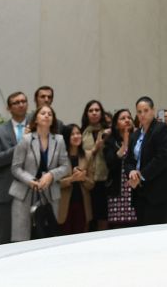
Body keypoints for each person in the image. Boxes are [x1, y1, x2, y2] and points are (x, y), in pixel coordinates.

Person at [9, 105, 70, 242]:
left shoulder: (59, 140)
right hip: (24, 193)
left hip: (49, 194)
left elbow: (65, 166)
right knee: (21, 239)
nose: (47, 115)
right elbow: (15, 168)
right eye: (43, 113)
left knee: (47, 237)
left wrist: (51, 175)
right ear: (35, 119)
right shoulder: (26, 139)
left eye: (50, 114)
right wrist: (30, 180)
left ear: (53, 120)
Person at [125, 96, 167, 226]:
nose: (142, 114)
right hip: (139, 192)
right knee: (141, 229)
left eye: (146, 110)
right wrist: (131, 172)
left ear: (153, 111)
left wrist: (140, 176)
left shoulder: (161, 129)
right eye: (139, 112)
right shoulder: (135, 135)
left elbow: (162, 158)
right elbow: (129, 159)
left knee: (155, 231)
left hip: (157, 191)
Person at [0, 91, 28, 244]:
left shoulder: (37, 126)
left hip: (32, 187)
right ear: (8, 108)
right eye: (16, 102)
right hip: (6, 189)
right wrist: (21, 145)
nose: (21, 104)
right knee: (3, 237)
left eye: (23, 101)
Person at [79, 100, 110, 230]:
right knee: (87, 216)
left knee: (103, 216)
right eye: (91, 110)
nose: (94, 113)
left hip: (105, 181)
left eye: (97, 110)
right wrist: (95, 149)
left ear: (101, 113)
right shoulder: (81, 133)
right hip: (86, 180)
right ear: (86, 114)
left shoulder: (108, 133)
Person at [103, 109, 137, 228]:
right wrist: (124, 145)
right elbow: (110, 163)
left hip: (135, 189)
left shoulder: (139, 138)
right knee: (117, 229)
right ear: (116, 124)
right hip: (117, 189)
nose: (127, 120)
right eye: (123, 118)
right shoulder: (110, 141)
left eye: (129, 117)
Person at [57, 124, 93, 235]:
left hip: (82, 204)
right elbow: (54, 184)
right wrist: (72, 179)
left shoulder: (87, 155)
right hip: (63, 205)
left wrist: (83, 178)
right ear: (66, 137)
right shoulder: (59, 156)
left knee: (80, 238)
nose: (76, 136)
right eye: (72, 134)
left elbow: (92, 184)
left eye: (78, 133)